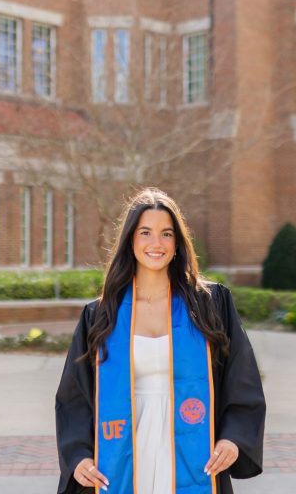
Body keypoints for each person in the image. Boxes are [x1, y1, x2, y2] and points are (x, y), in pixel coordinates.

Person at [55, 188, 266, 494]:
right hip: (121, 448)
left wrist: (233, 438)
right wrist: (79, 457)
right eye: (146, 232)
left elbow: (241, 377)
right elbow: (74, 396)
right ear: (130, 241)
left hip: (193, 445)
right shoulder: (101, 315)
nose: (157, 243)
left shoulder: (210, 304)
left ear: (178, 243)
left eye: (167, 234)